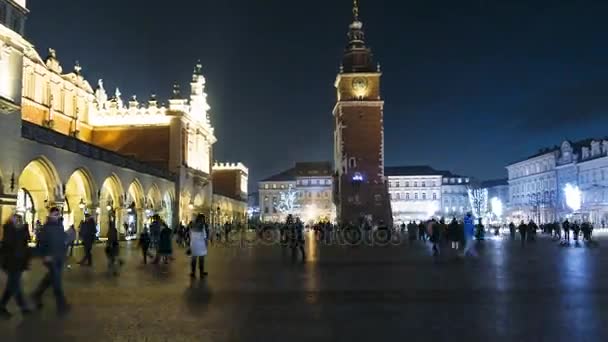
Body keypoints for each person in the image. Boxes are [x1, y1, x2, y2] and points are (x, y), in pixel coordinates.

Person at [32, 207, 70, 315]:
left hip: (59, 258)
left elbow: (62, 239)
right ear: (50, 215)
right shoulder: (46, 227)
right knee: (57, 283)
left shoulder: (60, 226)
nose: (56, 216)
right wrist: (45, 255)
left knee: (50, 279)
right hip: (51, 258)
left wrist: (65, 246)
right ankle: (62, 305)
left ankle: (37, 294)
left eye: (57, 214)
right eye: (54, 214)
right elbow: (40, 243)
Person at [0, 215, 32, 319]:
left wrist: (24, 229)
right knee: (16, 285)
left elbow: (26, 241)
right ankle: (24, 307)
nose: (18, 221)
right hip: (11, 263)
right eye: (15, 219)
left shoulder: (22, 230)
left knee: (11, 286)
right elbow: (8, 244)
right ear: (10, 220)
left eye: (19, 220)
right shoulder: (8, 229)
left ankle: (2, 306)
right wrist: (16, 229)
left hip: (20, 262)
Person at [189, 214, 208, 278]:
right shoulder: (203, 226)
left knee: (193, 259)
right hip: (201, 245)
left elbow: (190, 235)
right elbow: (205, 236)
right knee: (201, 260)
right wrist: (206, 244)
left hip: (193, 244)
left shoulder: (192, 225)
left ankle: (193, 273)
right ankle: (201, 273)